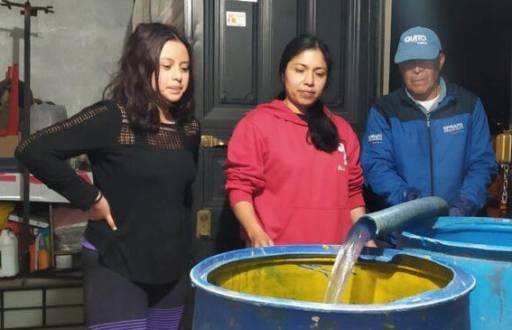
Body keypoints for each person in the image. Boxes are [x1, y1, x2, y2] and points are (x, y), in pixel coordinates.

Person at [15, 23, 200, 330]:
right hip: (115, 264)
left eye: (184, 67)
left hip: (172, 271)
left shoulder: (189, 128)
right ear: (142, 67)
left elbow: (180, 196)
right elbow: (34, 149)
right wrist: (91, 197)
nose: (178, 76)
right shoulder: (113, 117)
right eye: (166, 66)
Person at [224, 34, 365, 247]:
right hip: (277, 255)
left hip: (334, 257)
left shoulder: (342, 131)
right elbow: (239, 187)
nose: (309, 81)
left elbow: (353, 194)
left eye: (319, 74)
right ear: (283, 73)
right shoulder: (256, 124)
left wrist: (364, 237)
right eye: (300, 70)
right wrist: (255, 233)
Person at [361, 26, 497, 216]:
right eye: (409, 62)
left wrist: (464, 206)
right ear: (400, 67)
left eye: (423, 61)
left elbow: (482, 163)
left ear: (440, 60)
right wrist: (411, 203)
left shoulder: (469, 106)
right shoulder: (384, 111)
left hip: (458, 227)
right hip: (402, 229)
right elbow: (376, 166)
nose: (416, 69)